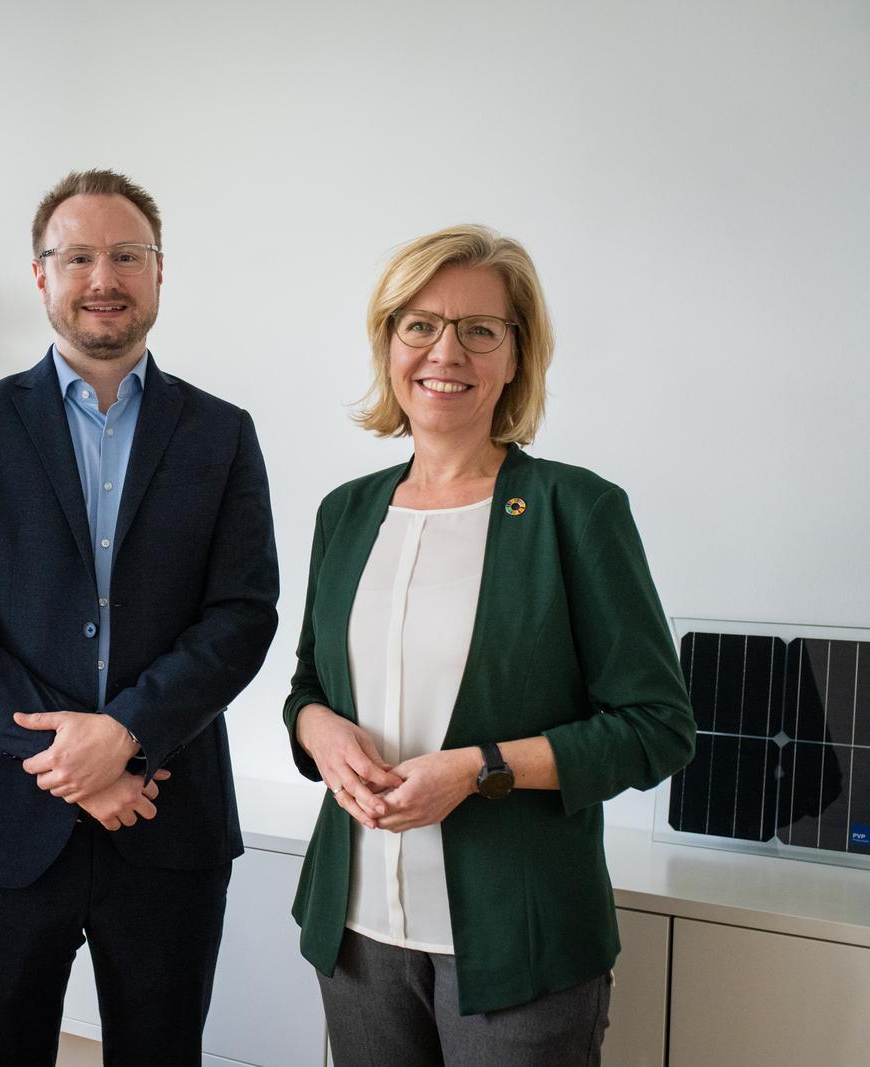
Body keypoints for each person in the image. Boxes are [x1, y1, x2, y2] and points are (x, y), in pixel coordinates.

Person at [283, 224, 696, 1066]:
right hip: (356, 931)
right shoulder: (346, 512)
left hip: (522, 944)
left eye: (480, 328)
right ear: (389, 344)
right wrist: (316, 727)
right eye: (420, 324)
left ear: (516, 356)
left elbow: (657, 726)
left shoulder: (574, 511)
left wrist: (479, 769)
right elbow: (306, 683)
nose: (447, 350)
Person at [0, 169, 279, 1065]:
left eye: (125, 255)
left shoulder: (221, 434)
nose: (102, 276)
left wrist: (128, 735)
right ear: (42, 275)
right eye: (77, 256)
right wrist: (73, 759)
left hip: (168, 823)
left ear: (158, 272)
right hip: (3, 824)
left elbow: (241, 616)